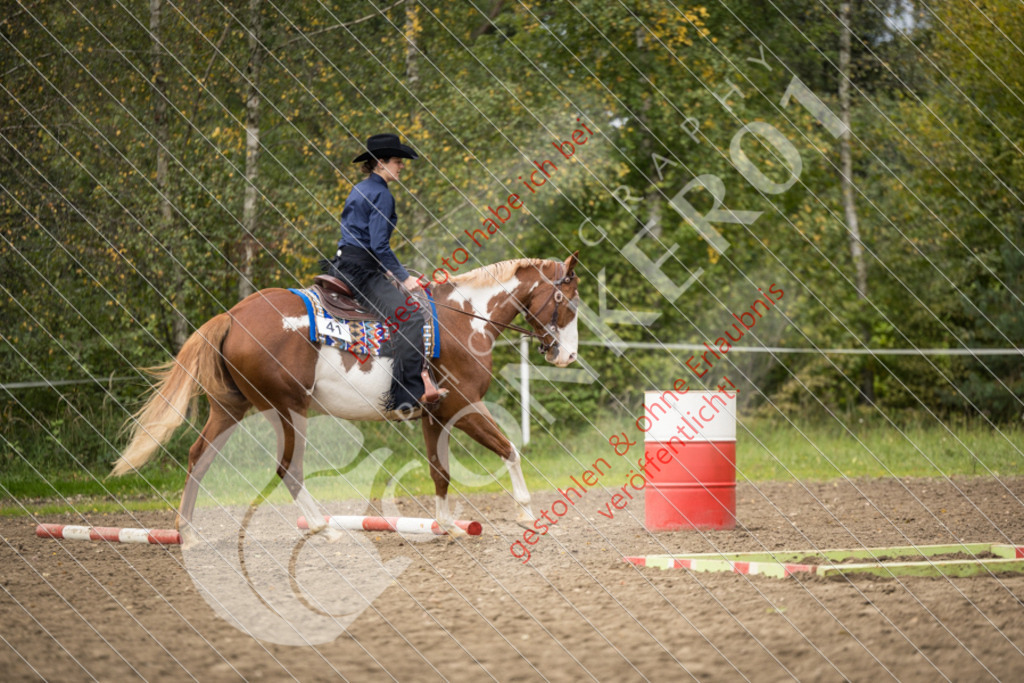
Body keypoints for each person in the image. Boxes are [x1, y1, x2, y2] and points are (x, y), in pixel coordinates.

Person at [333, 133, 447, 412]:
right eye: (398, 161)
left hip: (345, 264)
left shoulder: (360, 188)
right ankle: (408, 398)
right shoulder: (382, 195)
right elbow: (378, 245)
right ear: (380, 163)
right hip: (361, 272)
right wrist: (403, 277)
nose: (402, 166)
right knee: (410, 318)